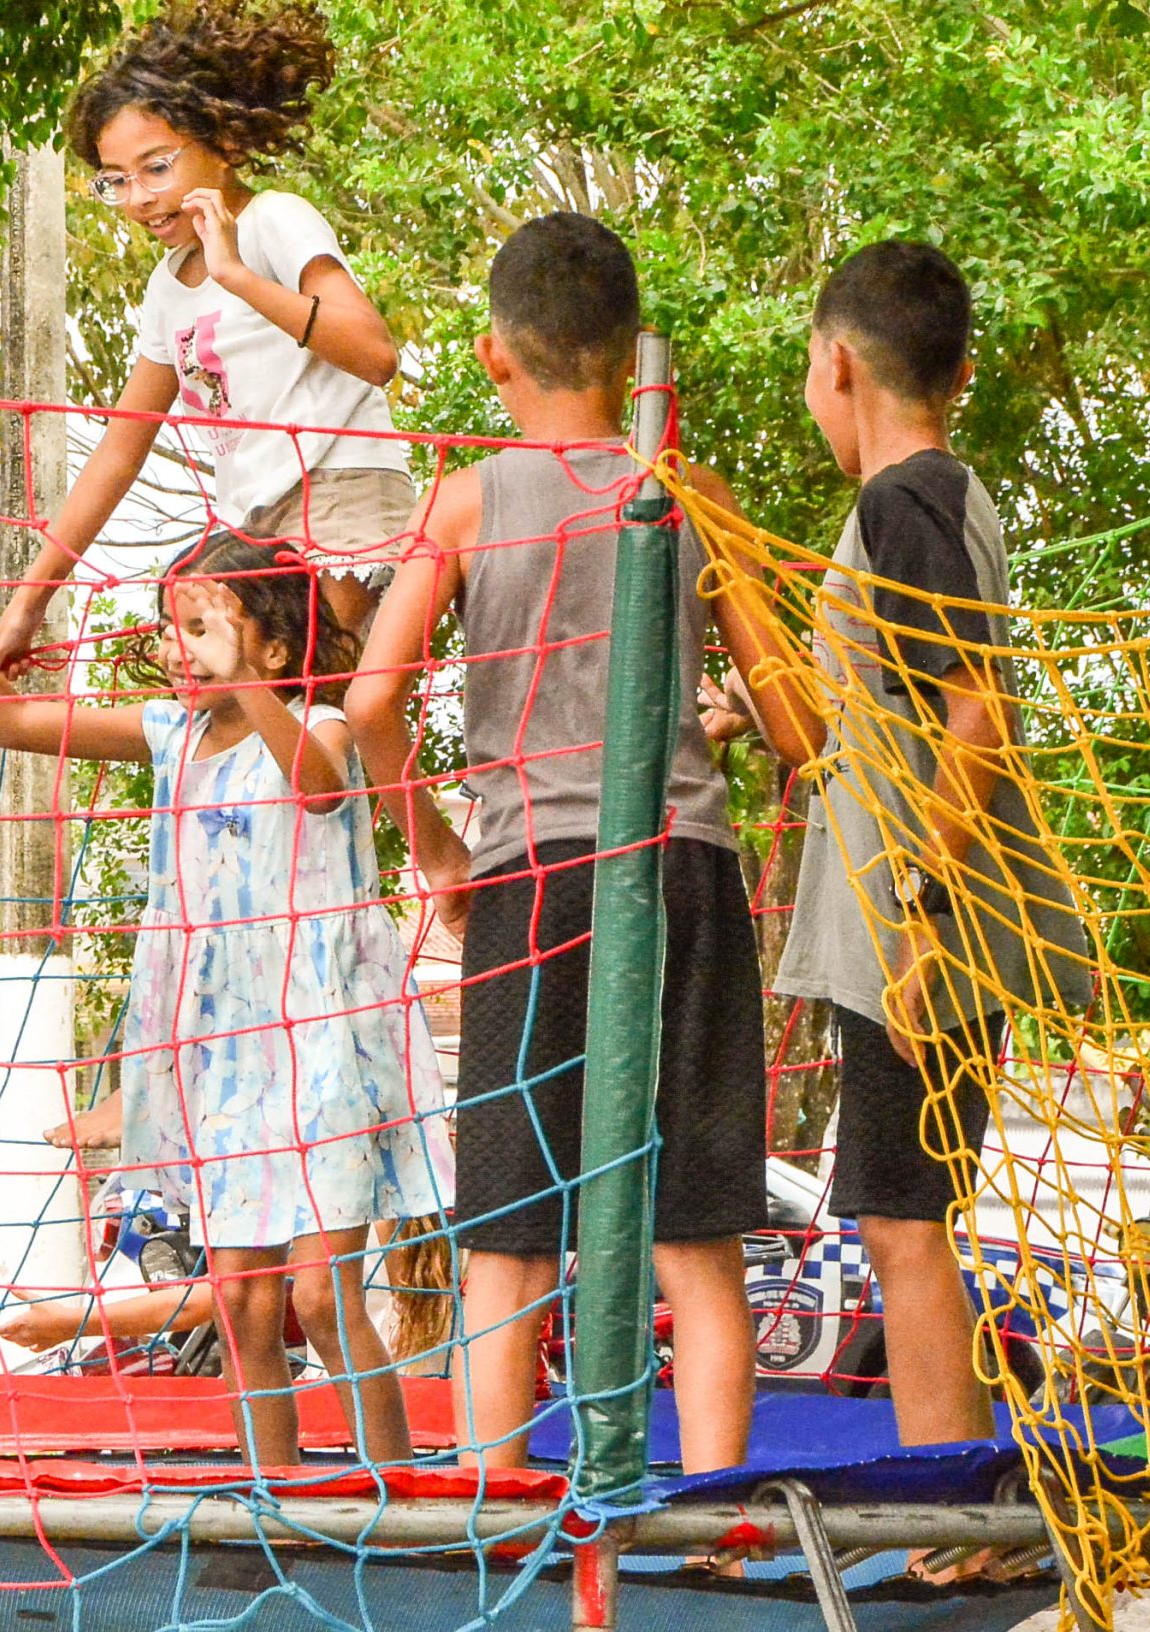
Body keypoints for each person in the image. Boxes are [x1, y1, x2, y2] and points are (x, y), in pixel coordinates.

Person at [345, 212, 822, 1479]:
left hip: (532, 877)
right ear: (630, 353)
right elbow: (795, 723)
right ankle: (721, 1525)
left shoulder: (466, 503)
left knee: (508, 1240)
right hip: (681, 869)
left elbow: (369, 699)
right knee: (695, 1236)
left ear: (494, 356)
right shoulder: (691, 495)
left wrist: (434, 847)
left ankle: (493, 1512)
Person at [0, 537, 449, 1483]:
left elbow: (313, 785)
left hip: (323, 1046)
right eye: (177, 627)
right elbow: (10, 719)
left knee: (321, 1299)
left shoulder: (324, 724)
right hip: (225, 1056)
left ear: (273, 648)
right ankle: (277, 1501)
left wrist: (246, 683)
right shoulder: (171, 734)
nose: (183, 647)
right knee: (245, 1307)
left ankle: (405, 1500)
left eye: (206, 627)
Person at [772, 240, 1092, 1448]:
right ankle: (947, 1481)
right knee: (909, 1221)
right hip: (918, 915)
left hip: (919, 929)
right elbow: (872, 722)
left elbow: (977, 715)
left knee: (904, 1226)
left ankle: (943, 1492)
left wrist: (918, 917)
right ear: (957, 372)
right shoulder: (932, 504)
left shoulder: (900, 501)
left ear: (838, 364)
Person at [0, 0, 409, 668]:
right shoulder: (166, 288)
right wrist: (28, 604)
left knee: (305, 682)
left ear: (225, 145)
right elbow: (120, 450)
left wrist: (237, 276)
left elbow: (375, 354)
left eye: (157, 167)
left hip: (337, 486)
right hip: (251, 525)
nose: (138, 197)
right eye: (116, 180)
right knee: (239, 686)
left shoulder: (273, 221)